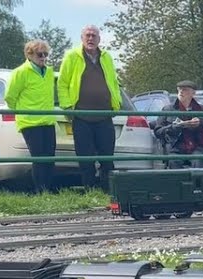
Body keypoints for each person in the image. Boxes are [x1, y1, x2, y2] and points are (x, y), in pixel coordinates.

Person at [59, 25, 121, 189]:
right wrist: (67, 107)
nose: (91, 38)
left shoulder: (106, 57)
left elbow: (114, 82)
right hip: (81, 116)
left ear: (99, 39)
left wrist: (117, 103)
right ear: (82, 38)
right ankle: (89, 191)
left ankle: (109, 191)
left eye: (94, 35)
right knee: (85, 158)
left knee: (107, 157)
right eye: (87, 35)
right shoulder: (71, 56)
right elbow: (63, 83)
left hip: (104, 115)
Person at [6, 39, 59, 194]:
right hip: (30, 121)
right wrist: (22, 111)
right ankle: (40, 189)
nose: (43, 57)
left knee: (50, 156)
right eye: (39, 54)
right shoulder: (20, 72)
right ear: (29, 55)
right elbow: (10, 97)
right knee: (38, 157)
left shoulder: (49, 72)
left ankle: (48, 188)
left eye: (46, 54)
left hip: (47, 119)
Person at [152, 80, 203, 170]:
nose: (181, 92)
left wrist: (201, 121)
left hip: (198, 146)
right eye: (179, 89)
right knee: (174, 160)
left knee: (199, 160)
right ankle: (178, 184)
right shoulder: (168, 109)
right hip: (176, 146)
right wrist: (174, 127)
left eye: (185, 90)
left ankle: (198, 184)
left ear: (193, 93)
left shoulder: (202, 109)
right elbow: (158, 131)